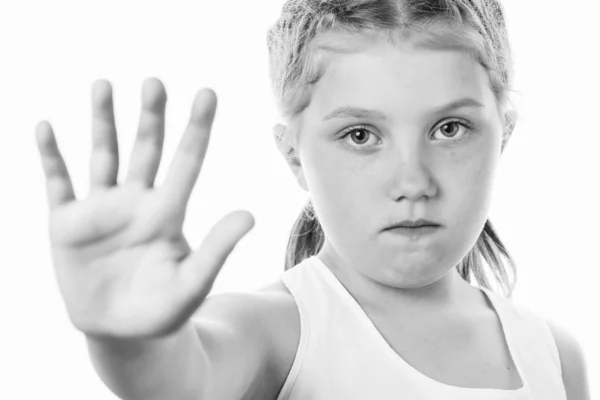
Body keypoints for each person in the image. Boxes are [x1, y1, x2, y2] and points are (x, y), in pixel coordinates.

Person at [34, 0, 591, 399]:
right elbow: (182, 376)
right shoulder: (276, 332)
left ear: (505, 135)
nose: (414, 181)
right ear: (294, 155)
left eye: (449, 128)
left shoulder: (553, 354)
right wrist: (129, 342)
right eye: (360, 136)